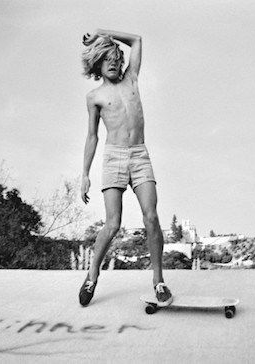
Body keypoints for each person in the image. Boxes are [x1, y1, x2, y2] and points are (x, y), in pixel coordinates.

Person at [79, 29, 172, 307]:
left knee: (151, 216)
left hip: (140, 155)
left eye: (116, 58)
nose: (114, 63)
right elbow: (92, 136)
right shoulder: (94, 97)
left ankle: (159, 281)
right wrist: (84, 173)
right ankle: (92, 274)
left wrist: (102, 34)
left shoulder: (131, 79)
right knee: (113, 223)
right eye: (107, 59)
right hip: (113, 157)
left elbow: (137, 40)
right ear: (98, 63)